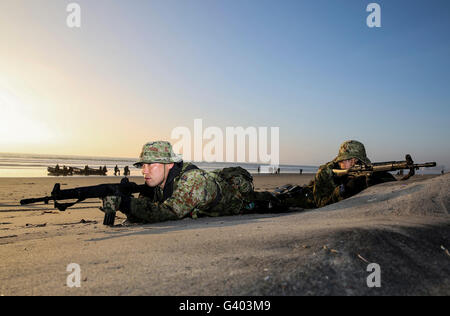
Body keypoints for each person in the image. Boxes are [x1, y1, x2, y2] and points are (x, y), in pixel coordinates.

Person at [100, 141, 280, 225]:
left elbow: (168, 212)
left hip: (242, 201)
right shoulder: (157, 184)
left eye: (150, 164)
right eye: (143, 165)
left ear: (169, 164)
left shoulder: (192, 181)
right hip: (212, 199)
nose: (144, 170)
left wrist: (125, 204)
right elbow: (148, 210)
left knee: (283, 200)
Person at [278, 140, 397, 209]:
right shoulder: (326, 172)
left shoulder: (364, 170)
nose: (352, 164)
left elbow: (390, 181)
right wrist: (343, 190)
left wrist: (373, 180)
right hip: (301, 197)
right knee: (269, 201)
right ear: (339, 160)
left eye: (356, 160)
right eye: (347, 160)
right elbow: (321, 204)